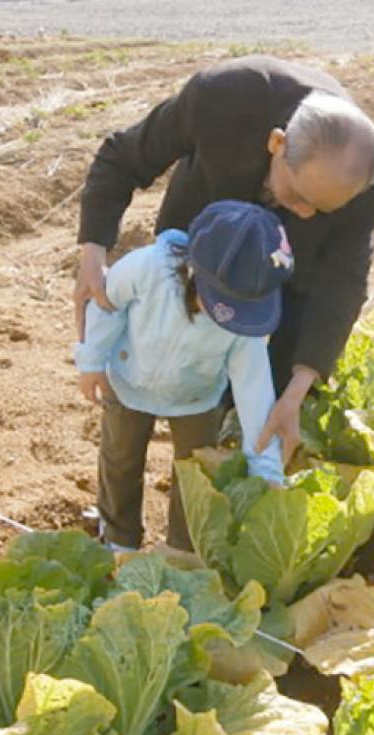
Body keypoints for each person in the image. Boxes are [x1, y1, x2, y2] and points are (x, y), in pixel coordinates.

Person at [75, 55, 374, 466]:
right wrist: (92, 252)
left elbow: (343, 283)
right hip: (199, 239)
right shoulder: (222, 99)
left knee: (268, 388)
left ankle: (217, 469)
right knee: (158, 337)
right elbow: (123, 158)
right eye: (298, 195)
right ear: (277, 143)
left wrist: (298, 386)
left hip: (289, 270)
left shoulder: (369, 183)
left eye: (323, 210)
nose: (304, 213)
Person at [75, 201, 293, 553]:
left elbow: (255, 391)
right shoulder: (147, 268)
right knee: (120, 459)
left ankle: (182, 548)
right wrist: (91, 360)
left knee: (195, 474)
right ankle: (118, 538)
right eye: (226, 303)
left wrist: (266, 468)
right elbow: (106, 303)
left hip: (198, 396)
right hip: (128, 379)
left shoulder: (244, 328)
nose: (233, 316)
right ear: (196, 271)